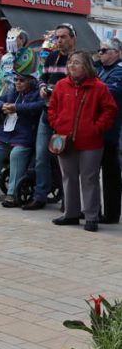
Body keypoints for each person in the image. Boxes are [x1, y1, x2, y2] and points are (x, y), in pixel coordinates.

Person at [48, 51, 118, 232]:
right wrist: (57, 123)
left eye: (77, 62)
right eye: (70, 62)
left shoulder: (99, 87)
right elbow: (52, 107)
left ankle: (91, 217)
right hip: (65, 140)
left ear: (86, 66)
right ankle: (71, 214)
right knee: (68, 177)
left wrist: (97, 127)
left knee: (89, 179)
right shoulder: (61, 85)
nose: (71, 65)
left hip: (91, 141)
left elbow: (110, 110)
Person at [0, 53, 44, 206]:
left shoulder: (37, 94)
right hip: (6, 134)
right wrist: (2, 106)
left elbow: (39, 106)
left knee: (16, 155)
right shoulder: (12, 92)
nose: (17, 83)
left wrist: (17, 108)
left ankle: (13, 193)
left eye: (21, 80)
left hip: (24, 136)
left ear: (30, 81)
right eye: (16, 79)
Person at [24, 23, 76, 211]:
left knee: (66, 159)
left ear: (73, 39)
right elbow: (41, 77)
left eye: (63, 37)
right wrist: (42, 88)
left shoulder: (77, 59)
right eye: (57, 37)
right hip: (47, 113)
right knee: (41, 157)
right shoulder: (52, 57)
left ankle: (69, 200)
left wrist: (55, 91)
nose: (59, 40)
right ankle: (40, 195)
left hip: (66, 116)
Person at [97, 39, 122, 224]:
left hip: (112, 130)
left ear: (117, 52)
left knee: (110, 173)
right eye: (100, 50)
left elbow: (110, 92)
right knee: (94, 172)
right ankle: (93, 210)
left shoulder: (119, 71)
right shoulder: (101, 70)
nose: (101, 53)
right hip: (99, 128)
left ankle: (112, 214)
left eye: (105, 50)